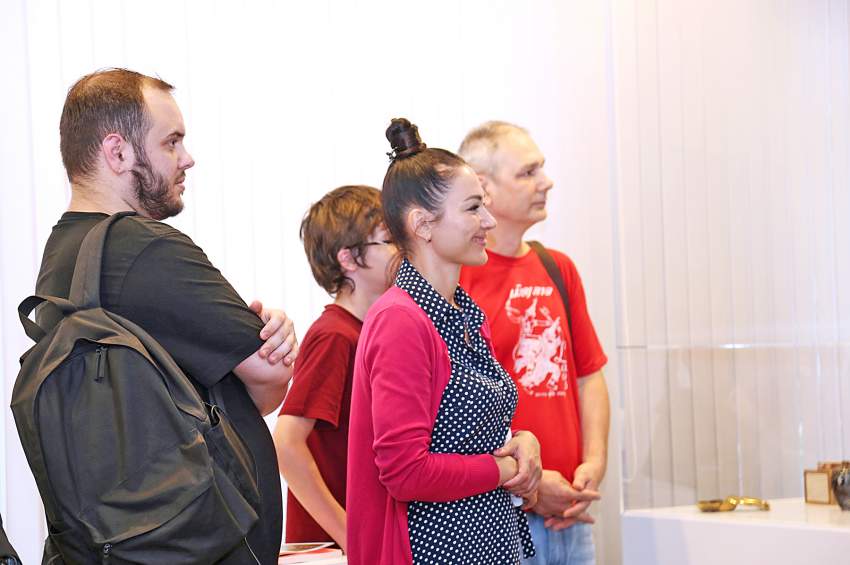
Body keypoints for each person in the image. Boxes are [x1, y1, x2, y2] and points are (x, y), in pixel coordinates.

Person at [35, 68, 296, 564]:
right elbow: (268, 378)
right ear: (118, 153)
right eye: (171, 142)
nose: (187, 158)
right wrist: (280, 342)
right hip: (206, 548)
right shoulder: (147, 247)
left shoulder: (61, 256)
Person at [346, 118, 543, 565]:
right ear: (422, 224)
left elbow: (468, 437)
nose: (488, 221)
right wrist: (505, 468)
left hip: (488, 543)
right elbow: (406, 471)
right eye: (473, 208)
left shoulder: (463, 313)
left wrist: (522, 441)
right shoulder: (401, 321)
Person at [458, 121, 610, 565]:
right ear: (483, 187)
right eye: (528, 172)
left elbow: (589, 376)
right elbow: (455, 405)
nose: (546, 182)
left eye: (541, 168)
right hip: (499, 514)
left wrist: (593, 464)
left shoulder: (558, 267)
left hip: (571, 510)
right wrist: (532, 484)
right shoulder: (458, 279)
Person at [272, 185, 395, 552]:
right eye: (390, 240)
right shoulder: (334, 336)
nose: (403, 250)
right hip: (334, 549)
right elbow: (286, 443)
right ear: (349, 259)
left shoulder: (372, 332)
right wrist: (347, 533)